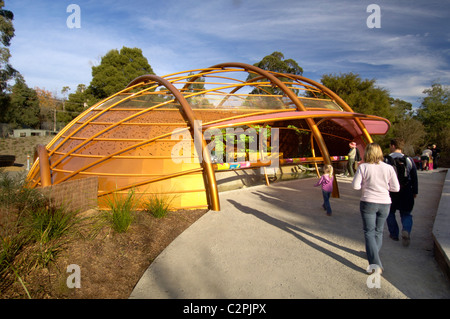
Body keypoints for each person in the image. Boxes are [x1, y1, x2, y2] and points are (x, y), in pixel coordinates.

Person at [352, 143, 400, 274]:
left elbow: (355, 186)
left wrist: (366, 185)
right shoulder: (389, 168)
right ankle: (374, 255)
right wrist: (383, 187)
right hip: (385, 202)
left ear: (367, 153)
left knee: (369, 232)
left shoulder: (363, 167)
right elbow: (396, 188)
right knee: (379, 231)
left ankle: (375, 264)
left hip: (368, 202)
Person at [384, 139, 418, 247]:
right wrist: (415, 191)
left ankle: (394, 234)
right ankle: (406, 230)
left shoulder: (386, 159)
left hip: (391, 191)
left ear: (393, 146)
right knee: (406, 213)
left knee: (390, 212)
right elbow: (414, 176)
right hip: (406, 189)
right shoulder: (408, 159)